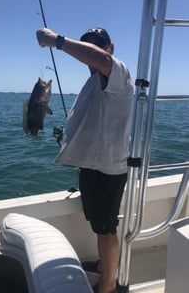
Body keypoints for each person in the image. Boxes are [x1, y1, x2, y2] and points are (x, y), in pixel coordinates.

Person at [36, 27, 134, 293]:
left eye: (96, 45)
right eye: (87, 45)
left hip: (107, 169)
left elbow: (101, 60)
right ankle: (105, 267)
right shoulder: (93, 83)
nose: (91, 50)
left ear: (109, 48)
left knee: (106, 228)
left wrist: (56, 41)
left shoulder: (119, 72)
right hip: (93, 167)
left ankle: (108, 285)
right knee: (99, 225)